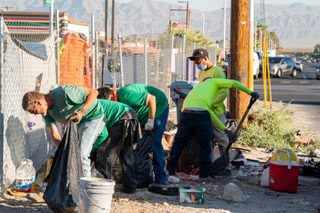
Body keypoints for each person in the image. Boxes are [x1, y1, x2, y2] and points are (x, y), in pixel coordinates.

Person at [166, 78, 259, 179]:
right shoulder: (214, 82)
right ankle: (204, 175)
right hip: (201, 114)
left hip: (186, 113)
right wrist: (251, 92)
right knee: (205, 145)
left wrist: (226, 130)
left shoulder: (199, 89)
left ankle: (170, 172)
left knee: (179, 143)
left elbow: (210, 114)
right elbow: (234, 83)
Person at [22, 85, 105, 177]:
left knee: (81, 153)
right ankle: (78, 182)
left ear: (39, 103)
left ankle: (87, 186)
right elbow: (55, 135)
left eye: (34, 111)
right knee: (73, 153)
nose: (35, 114)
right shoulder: (46, 113)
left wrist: (82, 112)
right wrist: (64, 151)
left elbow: (93, 92)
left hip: (92, 117)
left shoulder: (65, 93)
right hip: (77, 123)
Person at [97, 84, 169, 185]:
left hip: (159, 108)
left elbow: (152, 99)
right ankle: (142, 178)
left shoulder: (125, 95)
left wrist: (151, 121)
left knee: (155, 142)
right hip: (143, 115)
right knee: (140, 145)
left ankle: (160, 178)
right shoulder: (120, 103)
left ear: (110, 97)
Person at [91, 99, 142, 194]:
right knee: (125, 154)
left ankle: (102, 188)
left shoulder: (90, 110)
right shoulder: (93, 104)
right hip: (129, 116)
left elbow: (103, 134)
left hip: (122, 119)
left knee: (105, 154)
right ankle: (130, 186)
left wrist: (95, 148)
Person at [189, 48, 229, 155]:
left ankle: (226, 165)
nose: (197, 64)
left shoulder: (218, 72)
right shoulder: (202, 73)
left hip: (216, 112)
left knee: (221, 138)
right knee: (206, 138)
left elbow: (224, 92)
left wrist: (211, 104)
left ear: (205, 58)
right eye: (195, 62)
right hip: (205, 112)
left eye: (198, 61)